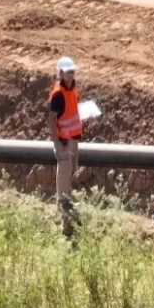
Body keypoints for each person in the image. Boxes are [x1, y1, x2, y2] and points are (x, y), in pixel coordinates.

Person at [47, 56, 84, 227]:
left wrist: (86, 121)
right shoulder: (58, 95)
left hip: (73, 139)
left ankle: (68, 202)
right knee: (64, 172)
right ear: (60, 73)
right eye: (68, 72)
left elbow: (72, 114)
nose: (71, 75)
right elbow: (51, 120)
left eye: (72, 71)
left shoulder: (72, 90)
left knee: (71, 170)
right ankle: (63, 210)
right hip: (63, 142)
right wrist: (57, 144)